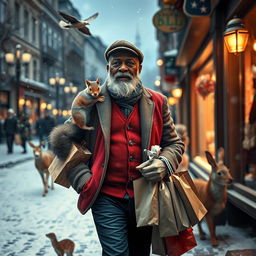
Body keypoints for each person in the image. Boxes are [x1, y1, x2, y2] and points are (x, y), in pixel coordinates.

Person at [53, 40, 184, 256]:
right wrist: (84, 181)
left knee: (139, 252)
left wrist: (164, 162)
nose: (122, 68)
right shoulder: (91, 102)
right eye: (116, 63)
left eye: (129, 63)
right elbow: (64, 142)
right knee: (116, 253)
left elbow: (174, 143)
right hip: (106, 196)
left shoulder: (158, 102)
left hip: (146, 196)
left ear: (139, 68)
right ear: (108, 69)